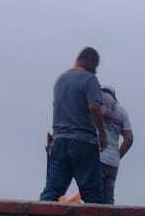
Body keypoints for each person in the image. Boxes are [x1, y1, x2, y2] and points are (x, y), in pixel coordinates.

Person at [40, 47, 107, 204]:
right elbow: (94, 107)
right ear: (87, 60)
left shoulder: (60, 80)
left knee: (52, 190)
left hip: (59, 142)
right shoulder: (89, 79)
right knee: (93, 195)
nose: (95, 71)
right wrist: (102, 136)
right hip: (83, 142)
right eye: (95, 65)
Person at [98, 86, 134, 205]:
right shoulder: (121, 111)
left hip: (96, 158)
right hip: (112, 162)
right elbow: (129, 139)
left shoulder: (94, 105)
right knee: (108, 198)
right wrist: (117, 155)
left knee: (93, 197)